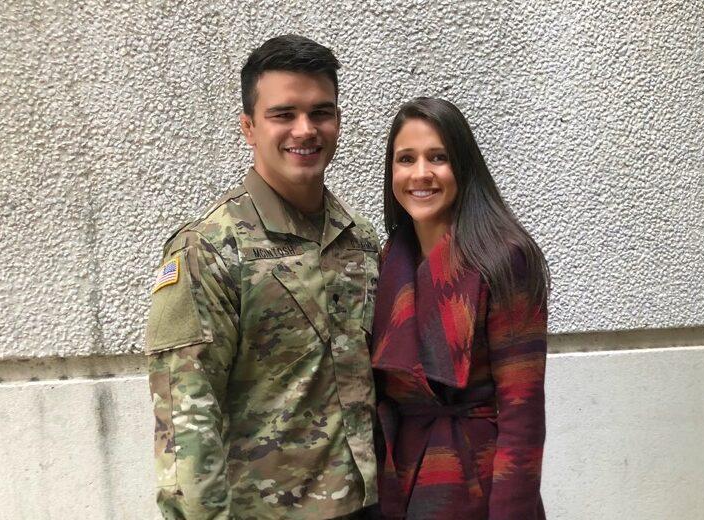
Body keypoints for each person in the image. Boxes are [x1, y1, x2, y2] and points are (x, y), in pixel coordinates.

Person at [145, 35, 380, 519]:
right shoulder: (209, 248)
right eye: (283, 114)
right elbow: (186, 423)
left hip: (367, 506)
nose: (305, 129)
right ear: (249, 127)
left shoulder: (359, 239)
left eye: (321, 112)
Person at [371, 97, 550, 519]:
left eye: (438, 157)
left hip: (478, 484)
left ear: (463, 167)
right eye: (406, 159)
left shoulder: (505, 258)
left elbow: (522, 412)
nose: (421, 174)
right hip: (403, 480)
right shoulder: (390, 257)